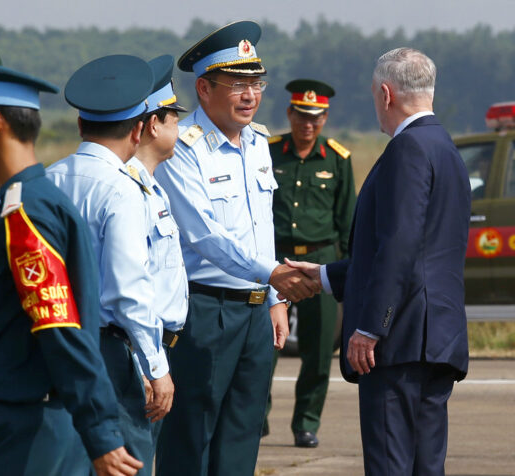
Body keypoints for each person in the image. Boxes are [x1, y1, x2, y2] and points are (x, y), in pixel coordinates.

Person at [0, 48, 141, 476]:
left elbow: (60, 328)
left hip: (21, 436)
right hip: (22, 426)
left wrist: (100, 431)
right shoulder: (25, 203)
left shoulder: (27, 214)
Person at [287, 47, 471, 475]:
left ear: (385, 94)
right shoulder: (446, 148)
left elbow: (399, 247)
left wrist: (371, 326)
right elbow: (421, 253)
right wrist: (324, 275)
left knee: (390, 464)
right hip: (436, 340)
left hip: (399, 342)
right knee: (426, 466)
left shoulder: (407, 149)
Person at [153, 21, 317, 476]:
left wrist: (276, 300)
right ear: (204, 88)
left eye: (256, 83)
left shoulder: (259, 143)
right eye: (237, 84)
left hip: (254, 313)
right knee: (190, 438)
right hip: (205, 310)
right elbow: (204, 235)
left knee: (243, 437)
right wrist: (272, 275)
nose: (250, 95)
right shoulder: (182, 147)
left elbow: (262, 226)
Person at [46, 54, 172, 475]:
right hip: (106, 350)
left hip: (48, 342)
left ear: (80, 125)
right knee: (124, 461)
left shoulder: (46, 179)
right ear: (138, 130)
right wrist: (156, 367)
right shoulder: (122, 191)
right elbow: (128, 290)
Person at [264, 79, 356, 447]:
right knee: (266, 346)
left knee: (318, 350)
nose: (307, 124)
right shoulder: (270, 154)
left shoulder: (338, 158)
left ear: (324, 119)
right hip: (276, 260)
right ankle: (257, 417)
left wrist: (347, 271)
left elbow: (346, 220)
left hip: (321, 261)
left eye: (315, 118)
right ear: (290, 114)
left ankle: (306, 422)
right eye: (301, 116)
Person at [126, 54, 189, 448]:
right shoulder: (130, 190)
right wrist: (150, 364)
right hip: (140, 352)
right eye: (174, 117)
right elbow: (130, 286)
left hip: (156, 347)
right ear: (153, 124)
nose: (180, 126)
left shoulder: (152, 185)